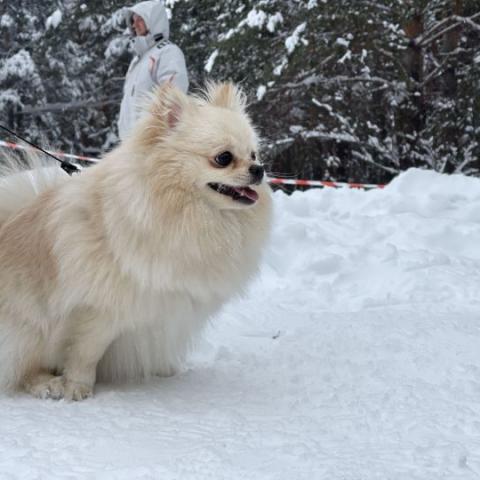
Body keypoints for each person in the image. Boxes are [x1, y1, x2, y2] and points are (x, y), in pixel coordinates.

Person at [118, 1, 189, 140]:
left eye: (140, 19)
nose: (134, 24)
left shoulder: (168, 52)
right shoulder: (138, 61)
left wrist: (156, 134)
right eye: (133, 20)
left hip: (152, 142)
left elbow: (174, 95)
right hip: (131, 145)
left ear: (153, 20)